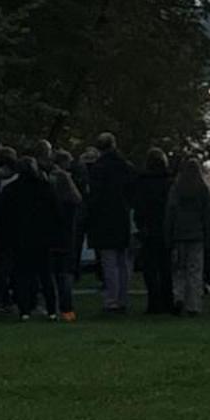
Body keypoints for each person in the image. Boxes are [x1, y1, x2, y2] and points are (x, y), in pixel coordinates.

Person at [0, 156, 62, 320]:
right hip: (42, 237)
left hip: (19, 237)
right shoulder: (46, 188)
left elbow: (3, 217)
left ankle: (24, 309)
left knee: (21, 274)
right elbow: (56, 213)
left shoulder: (11, 190)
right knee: (46, 275)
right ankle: (52, 309)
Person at [84, 133, 137, 312]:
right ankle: (123, 298)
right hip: (122, 215)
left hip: (104, 218)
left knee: (109, 260)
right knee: (123, 260)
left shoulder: (98, 168)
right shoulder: (125, 166)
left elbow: (94, 196)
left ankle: (111, 299)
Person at [165, 158, 210, 315]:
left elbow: (170, 214)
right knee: (195, 271)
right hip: (197, 235)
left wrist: (168, 234)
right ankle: (193, 305)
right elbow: (209, 216)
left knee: (179, 270)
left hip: (179, 235)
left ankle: (178, 297)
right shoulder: (203, 190)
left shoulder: (176, 188)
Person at [133, 149, 175, 314]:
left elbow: (139, 206)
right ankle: (168, 300)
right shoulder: (169, 182)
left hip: (148, 229)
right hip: (165, 228)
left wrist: (140, 224)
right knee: (166, 268)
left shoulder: (142, 182)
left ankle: (154, 302)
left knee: (150, 269)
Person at [48, 159, 83, 320]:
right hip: (67, 240)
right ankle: (67, 310)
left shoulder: (51, 202)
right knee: (65, 276)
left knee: (52, 276)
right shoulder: (73, 203)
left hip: (52, 239)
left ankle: (53, 308)